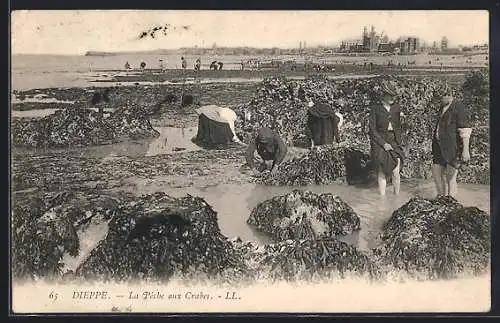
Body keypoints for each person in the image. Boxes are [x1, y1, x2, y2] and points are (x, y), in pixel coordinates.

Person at [431, 84, 472, 198]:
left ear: (448, 95)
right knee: (436, 173)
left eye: (440, 98)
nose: (439, 101)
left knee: (450, 176)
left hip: (453, 148)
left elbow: (465, 130)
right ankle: (441, 197)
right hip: (439, 146)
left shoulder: (458, 107)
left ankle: (451, 200)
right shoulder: (443, 106)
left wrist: (465, 150)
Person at [369, 80, 405, 196]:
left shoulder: (396, 108)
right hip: (379, 141)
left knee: (396, 171)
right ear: (384, 95)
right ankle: (382, 198)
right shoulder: (375, 109)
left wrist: (399, 141)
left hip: (394, 140)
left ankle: (397, 197)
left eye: (394, 96)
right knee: (382, 170)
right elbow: (372, 130)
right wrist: (383, 143)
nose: (392, 98)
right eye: (390, 95)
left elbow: (398, 126)